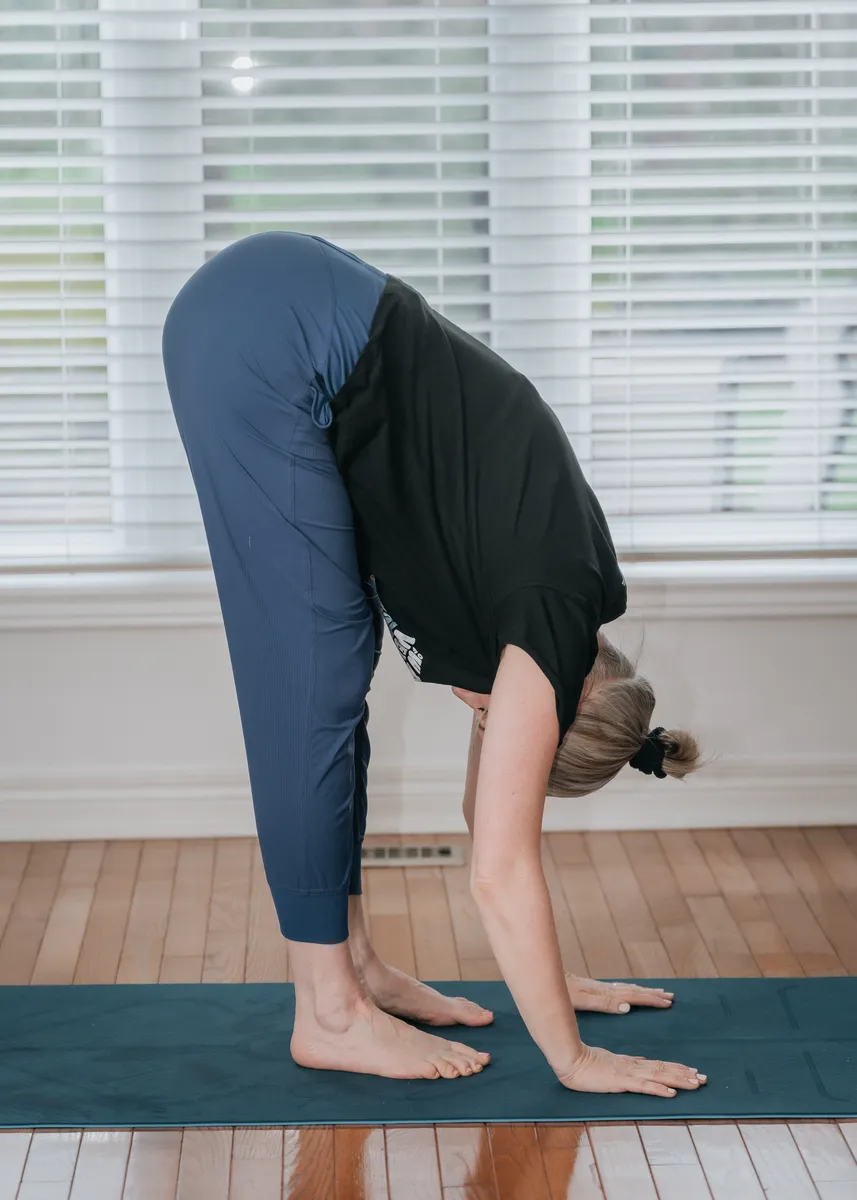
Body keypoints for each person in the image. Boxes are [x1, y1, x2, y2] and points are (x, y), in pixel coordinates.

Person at [162, 230, 706, 1097]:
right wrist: (568, 1053)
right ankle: (329, 1014)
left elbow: (480, 814)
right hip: (266, 335)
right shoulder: (548, 612)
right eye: (497, 727)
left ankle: (356, 969)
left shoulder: (559, 593)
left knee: (335, 662)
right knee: (309, 686)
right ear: (555, 704)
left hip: (282, 302)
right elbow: (498, 864)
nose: (482, 721)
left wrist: (545, 980)